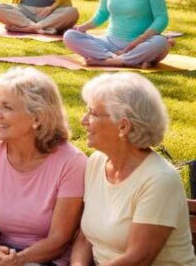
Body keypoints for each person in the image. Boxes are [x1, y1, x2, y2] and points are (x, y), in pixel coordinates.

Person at [69, 73, 196, 266]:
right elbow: (85, 238)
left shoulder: (159, 180)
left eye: (93, 113)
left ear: (123, 126)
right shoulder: (96, 162)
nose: (83, 120)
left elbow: (138, 258)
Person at [0, 67, 86, 266]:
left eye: (7, 107)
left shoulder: (71, 162)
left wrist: (18, 260)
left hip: (48, 258)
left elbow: (59, 239)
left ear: (37, 119)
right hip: (3, 250)